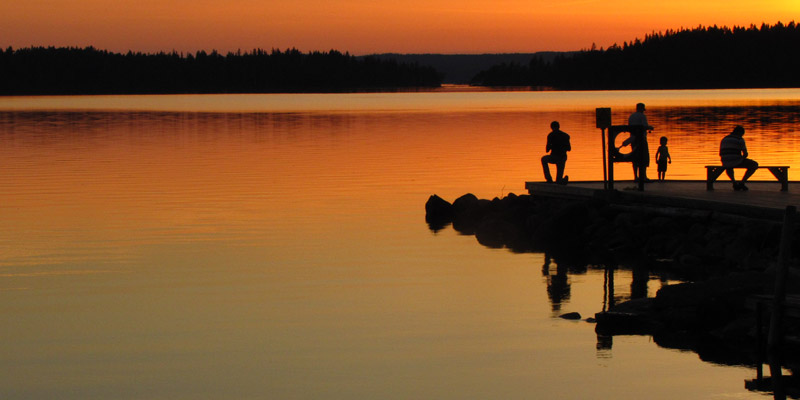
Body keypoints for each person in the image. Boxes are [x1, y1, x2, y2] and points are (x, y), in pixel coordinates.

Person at [719, 125, 758, 191]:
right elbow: (745, 154)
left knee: (728, 166)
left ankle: (734, 182)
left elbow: (721, 153)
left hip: (724, 160)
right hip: (736, 160)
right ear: (740, 133)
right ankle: (742, 182)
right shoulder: (740, 139)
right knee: (754, 164)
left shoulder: (724, 139)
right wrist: (742, 158)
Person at [627, 103, 655, 182]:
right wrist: (650, 127)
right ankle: (644, 177)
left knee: (635, 157)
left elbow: (629, 126)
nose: (643, 111)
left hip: (633, 139)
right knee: (644, 157)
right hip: (641, 139)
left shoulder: (631, 116)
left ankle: (635, 177)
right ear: (642, 109)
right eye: (643, 109)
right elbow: (644, 126)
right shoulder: (642, 116)